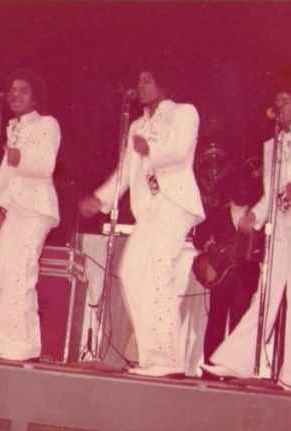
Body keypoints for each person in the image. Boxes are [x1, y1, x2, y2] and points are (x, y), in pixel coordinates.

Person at [202, 88, 291, 390]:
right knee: (267, 290)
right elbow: (270, 191)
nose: (279, 106)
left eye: (286, 100)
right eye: (276, 102)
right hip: (280, 223)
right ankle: (239, 359)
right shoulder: (271, 145)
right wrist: (255, 217)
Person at [79, 67, 205, 377]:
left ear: (165, 81)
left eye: (148, 79)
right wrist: (101, 199)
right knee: (132, 272)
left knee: (157, 269)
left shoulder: (184, 112)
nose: (141, 85)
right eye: (139, 80)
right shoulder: (137, 124)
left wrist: (151, 149)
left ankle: (168, 359)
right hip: (149, 209)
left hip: (174, 202)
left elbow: (179, 150)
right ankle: (154, 357)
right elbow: (126, 170)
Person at [0, 69, 60, 361]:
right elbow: (6, 173)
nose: (15, 95)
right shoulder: (13, 126)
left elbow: (46, 164)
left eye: (23, 90)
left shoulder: (47, 123)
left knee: (20, 272)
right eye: (12, 90)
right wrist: (0, 207)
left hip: (36, 208)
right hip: (15, 208)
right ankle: (1, 338)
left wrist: (19, 158)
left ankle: (21, 343)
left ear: (36, 97)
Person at [192, 164, 262, 365]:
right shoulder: (218, 213)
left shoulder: (258, 215)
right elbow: (199, 238)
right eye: (238, 186)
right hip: (221, 278)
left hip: (245, 277)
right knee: (216, 320)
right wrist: (209, 246)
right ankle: (210, 365)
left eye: (246, 187)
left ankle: (233, 366)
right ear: (231, 189)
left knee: (239, 323)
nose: (242, 190)